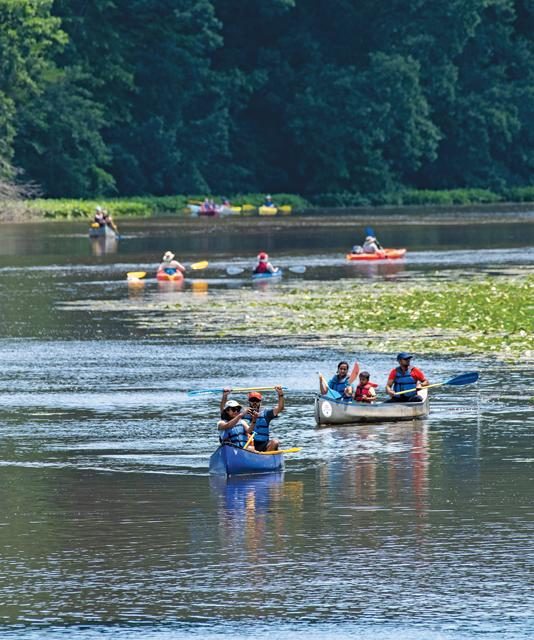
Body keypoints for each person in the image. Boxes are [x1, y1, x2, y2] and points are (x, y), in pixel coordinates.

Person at [245, 387, 284, 451]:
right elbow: (226, 413)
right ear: (249, 401)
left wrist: (280, 394)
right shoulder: (244, 413)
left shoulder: (266, 413)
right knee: (249, 448)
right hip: (250, 443)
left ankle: (266, 456)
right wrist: (225, 396)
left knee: (275, 442)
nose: (254, 402)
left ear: (260, 402)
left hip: (264, 443)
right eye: (252, 400)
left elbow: (280, 408)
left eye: (257, 400)